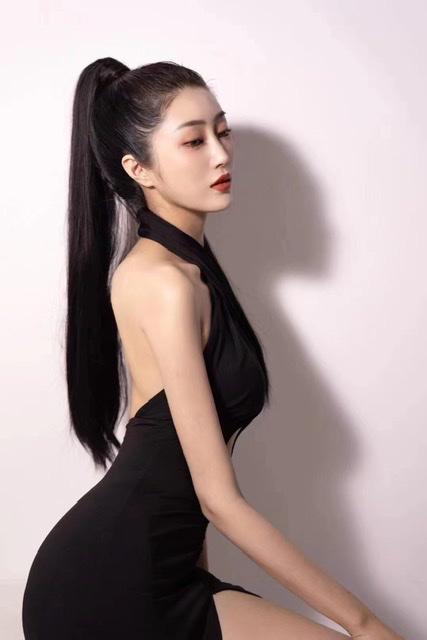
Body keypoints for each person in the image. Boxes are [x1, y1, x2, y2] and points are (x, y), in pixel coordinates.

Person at [21, 57, 404, 640]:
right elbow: (217, 499)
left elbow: (174, 460)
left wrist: (196, 574)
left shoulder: (189, 271)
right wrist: (365, 624)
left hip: (167, 574)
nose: (221, 155)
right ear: (138, 169)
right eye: (194, 140)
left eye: (223, 132)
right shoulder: (162, 282)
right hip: (104, 586)